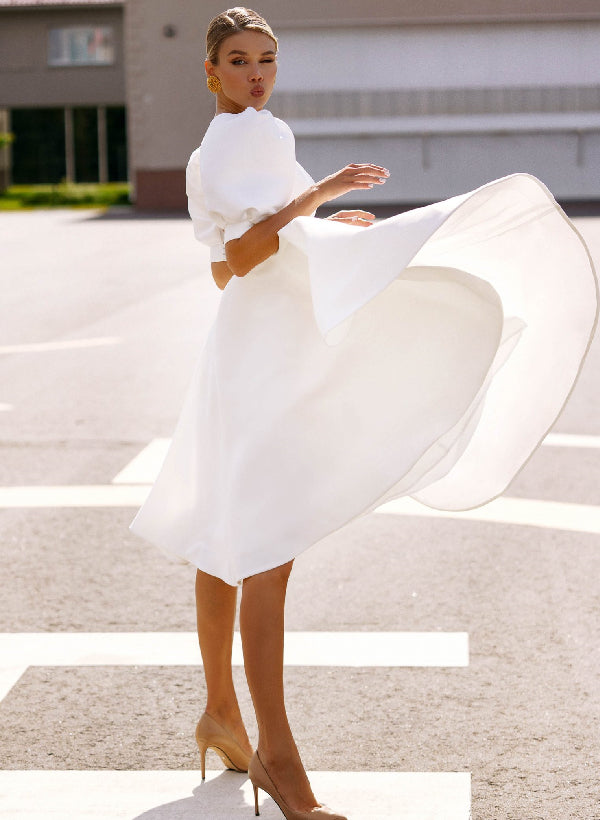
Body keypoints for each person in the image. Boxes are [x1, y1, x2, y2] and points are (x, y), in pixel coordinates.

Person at [130, 8, 598, 820]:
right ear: (209, 71)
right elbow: (240, 258)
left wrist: (316, 226)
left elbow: (233, 268)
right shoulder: (238, 144)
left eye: (267, 59)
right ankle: (277, 759)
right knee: (266, 545)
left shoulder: (256, 138)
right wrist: (320, 193)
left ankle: (220, 713)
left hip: (255, 343)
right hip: (264, 354)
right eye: (238, 61)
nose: (256, 74)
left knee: (228, 529)